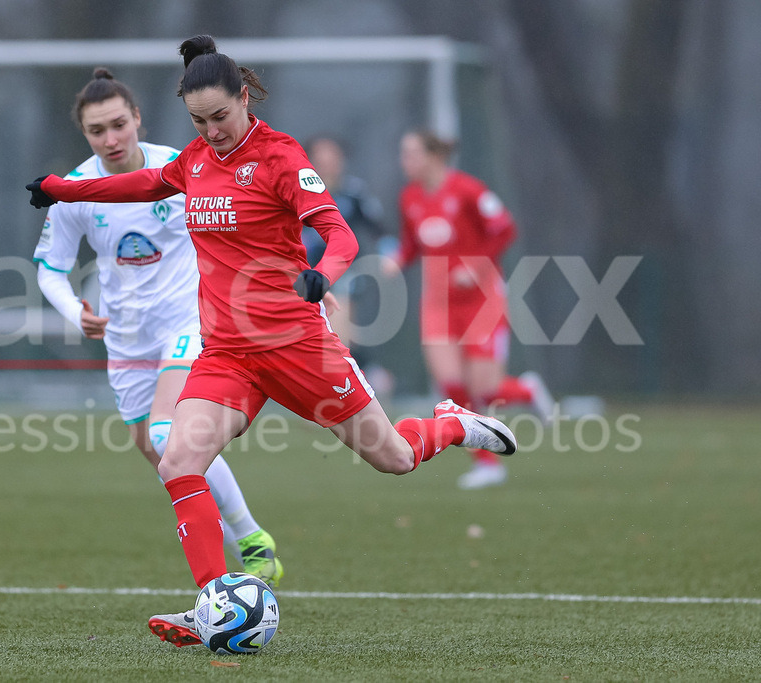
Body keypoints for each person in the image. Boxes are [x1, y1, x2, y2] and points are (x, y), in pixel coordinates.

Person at [26, 36, 518, 648]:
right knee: (177, 459)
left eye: (220, 117)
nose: (211, 132)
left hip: (294, 345)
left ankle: (452, 423)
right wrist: (63, 189)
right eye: (198, 121)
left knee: (392, 457)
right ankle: (212, 603)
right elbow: (144, 184)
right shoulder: (195, 160)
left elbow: (339, 233)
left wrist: (323, 276)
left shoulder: (280, 156)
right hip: (227, 354)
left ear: (245, 98)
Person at [30, 67, 283, 587]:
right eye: (97, 131)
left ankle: (245, 552)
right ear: (85, 134)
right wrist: (74, 311)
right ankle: (249, 537)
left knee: (171, 435)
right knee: (160, 453)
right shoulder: (78, 191)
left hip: (189, 321)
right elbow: (50, 268)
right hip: (126, 339)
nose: (111, 138)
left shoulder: (180, 167)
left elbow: (243, 217)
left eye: (118, 124)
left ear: (137, 118)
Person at [387, 129, 554, 490]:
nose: (405, 161)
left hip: (481, 300)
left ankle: (527, 392)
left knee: (485, 389)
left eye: (412, 153)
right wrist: (397, 259)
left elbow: (504, 229)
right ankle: (487, 464)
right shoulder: (409, 197)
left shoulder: (467, 190)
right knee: (451, 385)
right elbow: (412, 243)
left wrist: (476, 266)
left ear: (434, 156)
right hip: (438, 304)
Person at [301, 136, 393, 396]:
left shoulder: (354, 193)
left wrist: (391, 252)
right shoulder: (299, 190)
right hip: (303, 272)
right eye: (320, 157)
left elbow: (377, 226)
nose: (327, 162)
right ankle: (367, 373)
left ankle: (343, 388)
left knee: (336, 333)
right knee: (314, 332)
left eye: (332, 156)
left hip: (342, 273)